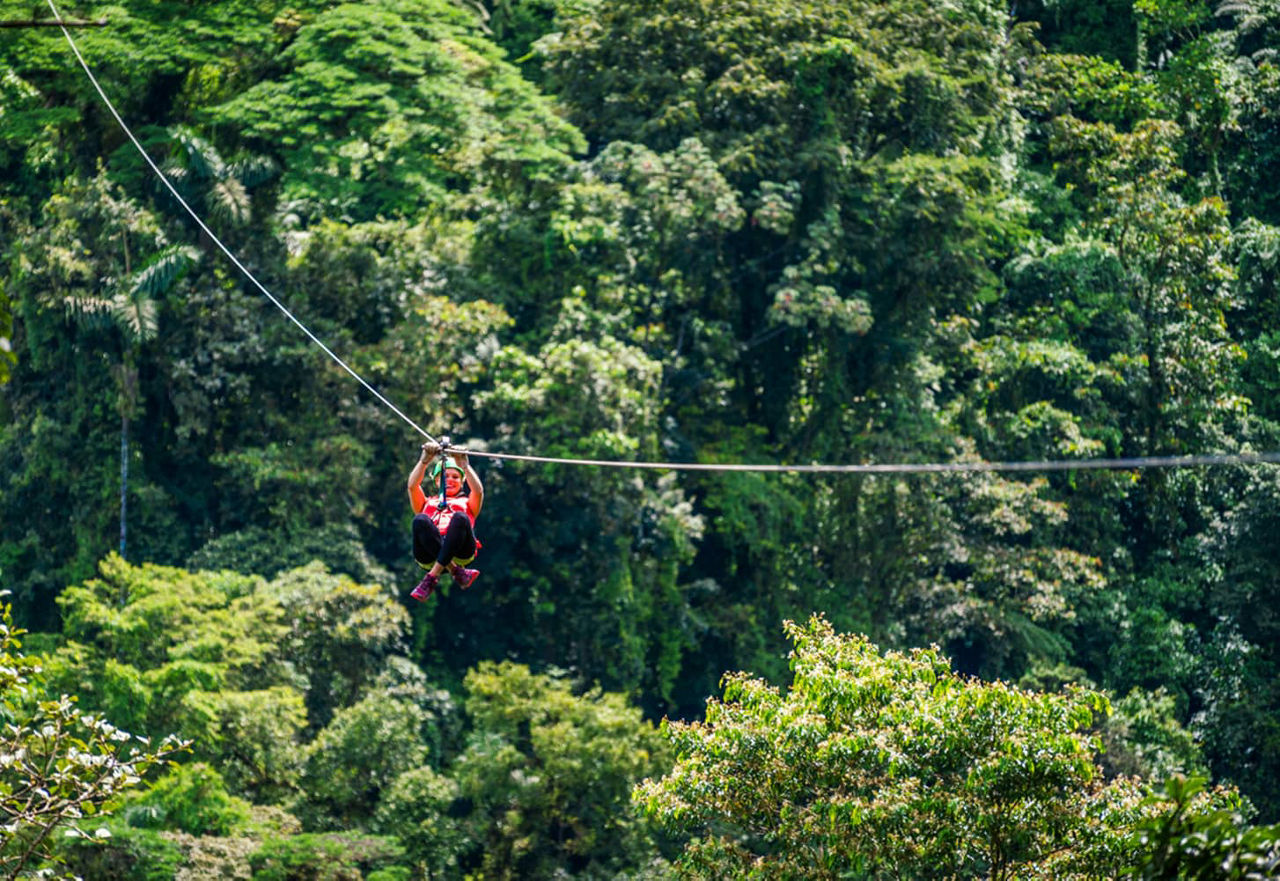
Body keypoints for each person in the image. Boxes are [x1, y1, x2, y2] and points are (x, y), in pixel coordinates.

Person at [407, 441, 483, 601]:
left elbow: (478, 491)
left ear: (462, 481)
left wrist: (464, 465)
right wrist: (424, 461)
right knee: (419, 519)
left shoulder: (467, 503)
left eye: (455, 477)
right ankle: (456, 571)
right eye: (445, 476)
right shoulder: (427, 503)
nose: (450, 480)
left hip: (460, 550)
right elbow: (412, 487)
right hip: (430, 553)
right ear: (436, 481)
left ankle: (430, 578)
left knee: (460, 518)